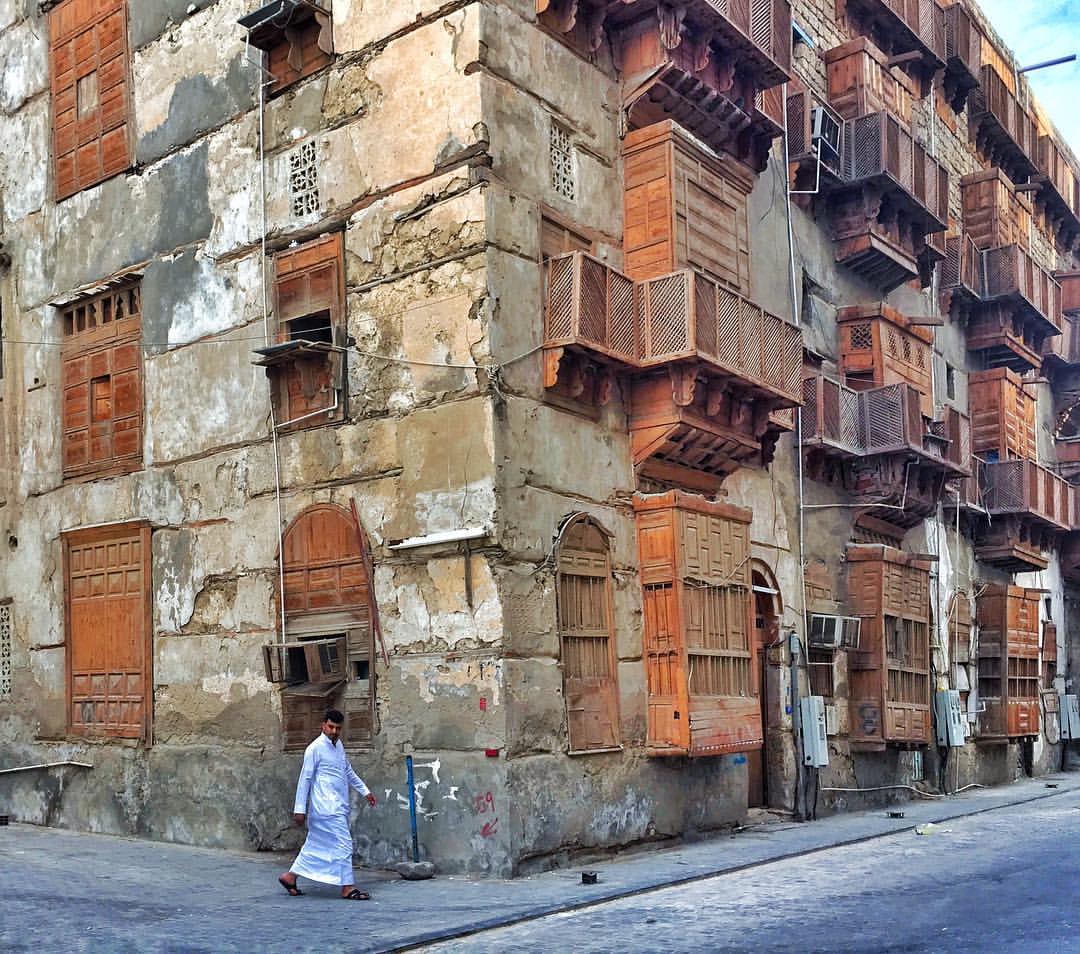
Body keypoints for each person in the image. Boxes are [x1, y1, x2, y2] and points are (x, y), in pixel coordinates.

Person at [278, 709, 378, 900]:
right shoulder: (314, 749)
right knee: (344, 843)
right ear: (323, 725)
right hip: (325, 808)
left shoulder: (338, 746)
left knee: (315, 845)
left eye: (338, 728)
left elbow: (348, 771)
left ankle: (289, 877)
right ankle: (348, 888)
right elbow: (305, 779)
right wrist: (299, 810)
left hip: (338, 805)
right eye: (331, 727)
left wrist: (365, 791)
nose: (334, 731)